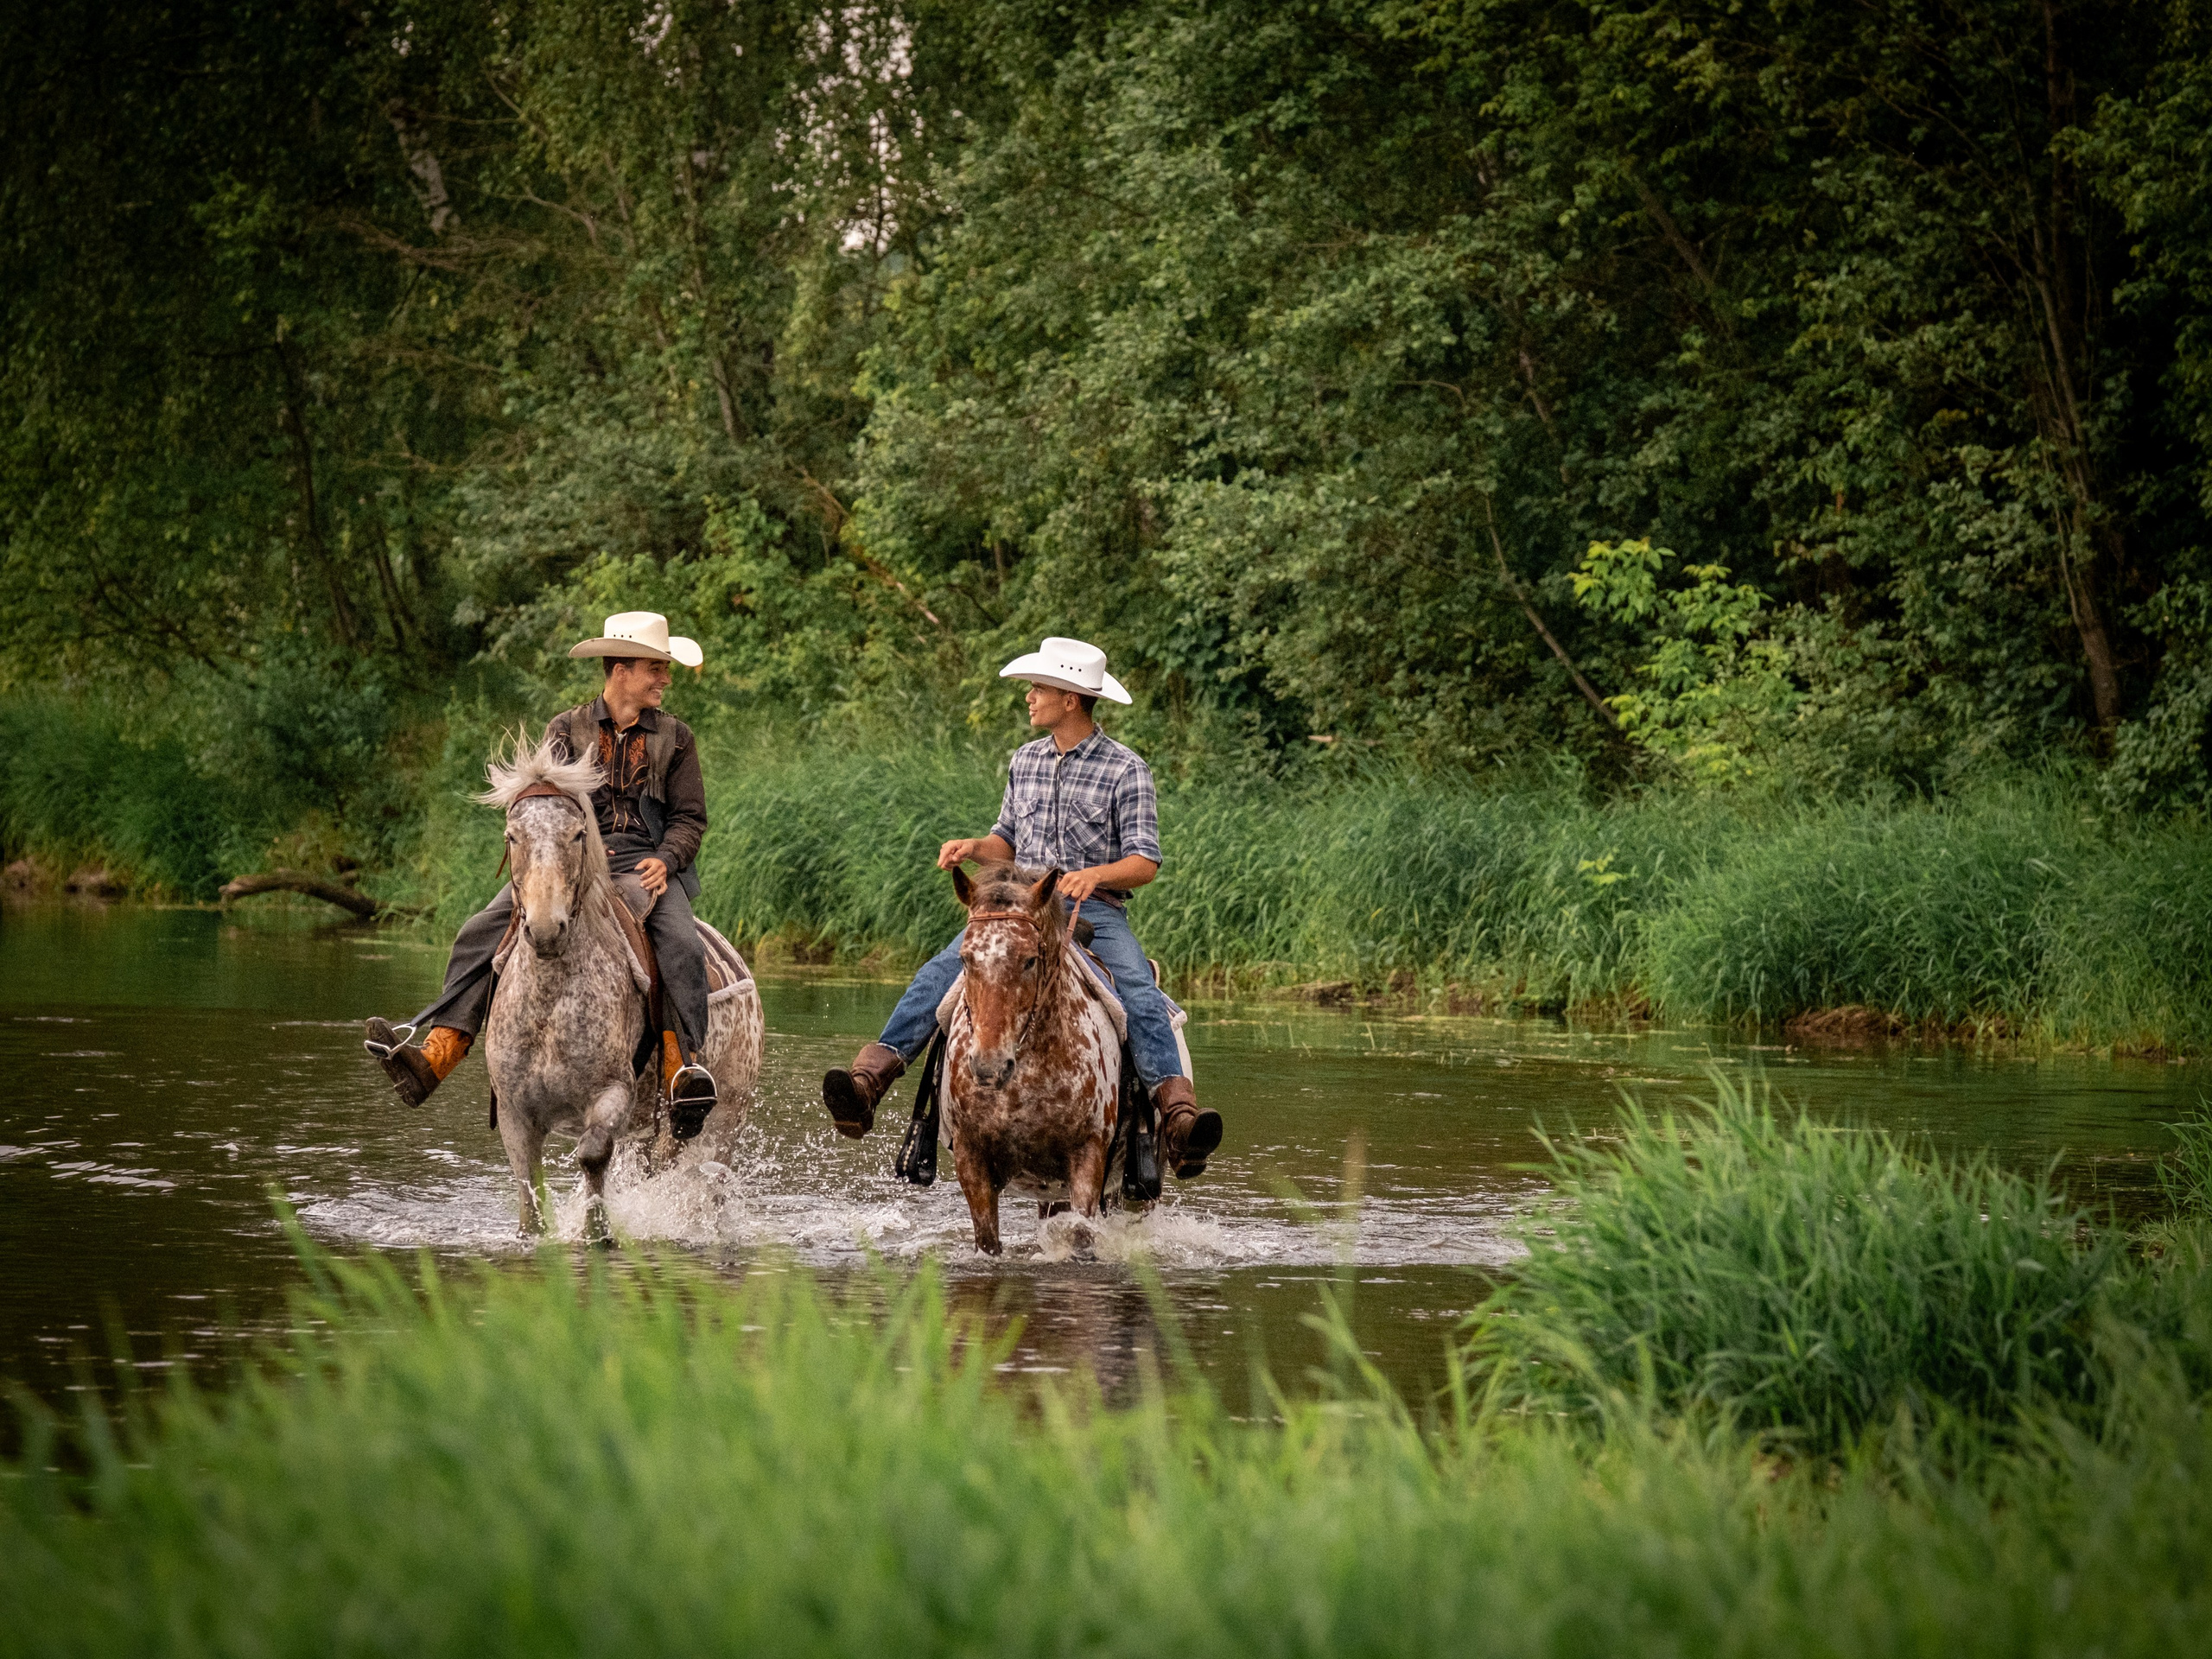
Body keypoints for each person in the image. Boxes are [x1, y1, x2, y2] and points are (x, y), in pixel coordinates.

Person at [821, 636, 1223, 1178]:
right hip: (1017, 910)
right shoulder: (1026, 759)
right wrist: (974, 847)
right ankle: (869, 1083)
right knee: (939, 973)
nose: (1029, 697)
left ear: (1071, 699)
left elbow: (1144, 861)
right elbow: (1005, 842)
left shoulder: (1127, 769)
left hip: (1094, 910)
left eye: (1038, 688)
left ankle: (1177, 1121)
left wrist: (1096, 874)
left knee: (1138, 993)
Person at [364, 610, 717, 1121]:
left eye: (664, 669)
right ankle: (438, 1055)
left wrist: (667, 859)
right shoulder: (566, 728)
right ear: (621, 670)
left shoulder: (677, 737)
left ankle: (682, 1072)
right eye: (655, 668)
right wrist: (549, 858)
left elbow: (689, 818)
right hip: (568, 861)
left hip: (645, 865)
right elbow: (543, 807)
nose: (665, 678)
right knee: (479, 930)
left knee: (682, 945)